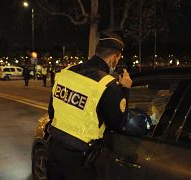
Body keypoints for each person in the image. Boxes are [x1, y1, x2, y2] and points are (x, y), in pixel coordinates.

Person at [47, 32, 133, 180]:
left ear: (96, 52)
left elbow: (52, 111)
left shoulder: (66, 72)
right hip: (79, 161)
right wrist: (125, 90)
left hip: (54, 150)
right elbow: (118, 123)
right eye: (118, 59)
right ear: (114, 58)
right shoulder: (107, 85)